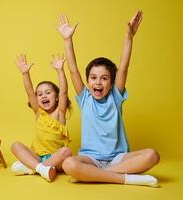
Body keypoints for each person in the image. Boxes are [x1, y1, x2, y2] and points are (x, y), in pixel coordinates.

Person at [57, 11, 160, 187]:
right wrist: (67, 40)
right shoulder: (85, 98)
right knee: (69, 164)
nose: (98, 82)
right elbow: (73, 70)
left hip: (119, 159)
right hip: (91, 158)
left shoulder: (115, 97)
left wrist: (129, 36)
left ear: (111, 83)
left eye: (104, 78)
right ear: (88, 80)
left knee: (153, 155)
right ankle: (126, 178)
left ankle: (94, 176)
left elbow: (123, 67)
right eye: (93, 77)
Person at [11, 53, 72, 182]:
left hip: (56, 159)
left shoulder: (59, 113)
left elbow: (64, 92)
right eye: (40, 94)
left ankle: (31, 168)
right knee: (15, 145)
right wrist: (25, 74)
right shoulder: (38, 113)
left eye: (48, 93)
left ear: (56, 98)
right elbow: (29, 91)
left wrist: (60, 70)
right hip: (37, 156)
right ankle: (41, 168)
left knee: (66, 152)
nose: (43, 96)